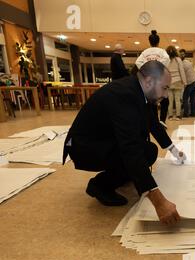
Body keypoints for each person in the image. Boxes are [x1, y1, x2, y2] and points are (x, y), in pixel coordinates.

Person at [63, 61, 186, 226]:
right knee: (136, 154)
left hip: (103, 138)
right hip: (84, 147)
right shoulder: (125, 95)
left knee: (149, 151)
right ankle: (99, 185)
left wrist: (174, 150)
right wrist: (159, 202)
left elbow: (153, 123)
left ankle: (123, 174)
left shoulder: (141, 90)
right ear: (149, 81)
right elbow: (130, 149)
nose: (165, 95)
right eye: (164, 88)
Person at [135, 30, 170, 128]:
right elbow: (167, 60)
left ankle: (155, 122)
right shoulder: (162, 51)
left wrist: (147, 70)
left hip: (149, 81)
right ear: (158, 42)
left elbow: (138, 62)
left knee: (152, 102)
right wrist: (158, 68)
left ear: (149, 42)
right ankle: (162, 121)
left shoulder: (145, 52)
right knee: (165, 100)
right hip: (159, 79)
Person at [166, 46, 186, 121]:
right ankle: (178, 116)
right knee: (178, 100)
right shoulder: (178, 60)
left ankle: (170, 116)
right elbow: (182, 71)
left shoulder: (166, 60)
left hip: (169, 82)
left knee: (170, 101)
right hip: (178, 81)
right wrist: (184, 81)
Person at [179, 49, 195, 118]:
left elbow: (183, 76)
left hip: (192, 82)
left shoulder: (182, 64)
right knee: (192, 97)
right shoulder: (188, 62)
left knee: (185, 98)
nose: (181, 55)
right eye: (180, 54)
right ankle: (193, 113)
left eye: (182, 54)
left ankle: (186, 114)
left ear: (184, 55)